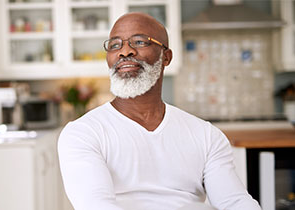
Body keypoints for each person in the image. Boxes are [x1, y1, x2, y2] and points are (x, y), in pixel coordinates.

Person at [58, 12, 261, 210]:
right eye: (115, 45)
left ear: (166, 56)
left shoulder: (206, 135)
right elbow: (96, 205)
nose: (125, 51)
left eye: (139, 42)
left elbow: (234, 202)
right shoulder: (83, 133)